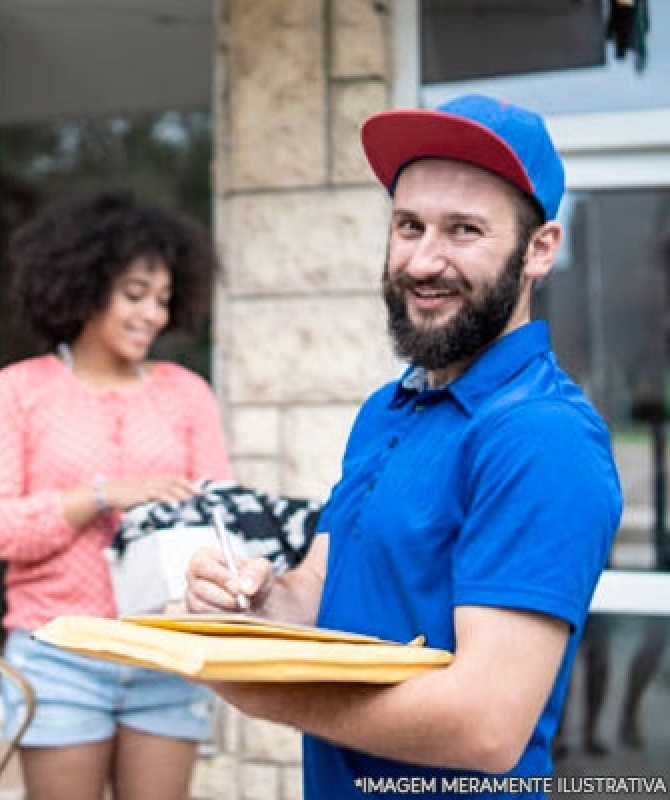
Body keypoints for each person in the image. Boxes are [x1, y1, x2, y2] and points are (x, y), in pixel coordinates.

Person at [183, 94, 623, 799]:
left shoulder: (542, 436)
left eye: (464, 230)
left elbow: (487, 725)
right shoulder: (388, 408)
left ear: (540, 249)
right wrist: (254, 603)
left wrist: (259, 689)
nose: (424, 260)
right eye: (409, 225)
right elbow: (319, 589)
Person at [0, 190, 231, 800]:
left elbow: (222, 509)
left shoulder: (187, 393)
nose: (153, 315)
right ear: (82, 285)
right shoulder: (18, 391)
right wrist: (102, 494)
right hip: (60, 654)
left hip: (167, 655)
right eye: (135, 294)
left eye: (163, 299)